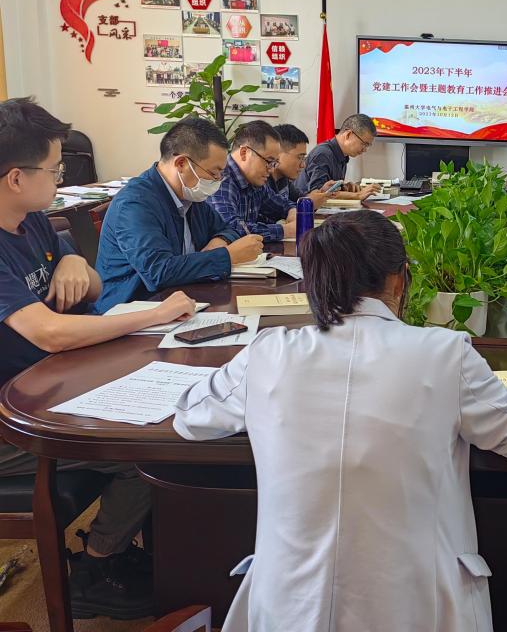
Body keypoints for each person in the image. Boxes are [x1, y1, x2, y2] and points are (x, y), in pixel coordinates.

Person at [173, 209, 507, 631]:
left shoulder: (269, 352)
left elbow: (189, 415)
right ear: (399, 279)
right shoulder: (446, 353)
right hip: (418, 610)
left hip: (290, 611)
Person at [0, 98, 198, 619]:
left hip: (51, 384)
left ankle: (137, 548)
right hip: (13, 417)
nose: (61, 178)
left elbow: (89, 285)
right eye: (55, 169)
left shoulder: (32, 221)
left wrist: (70, 258)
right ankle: (97, 565)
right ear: (16, 178)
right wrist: (155, 314)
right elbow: (50, 333)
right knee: (147, 452)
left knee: (174, 405)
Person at [95, 117, 264, 312]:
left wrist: (220, 240)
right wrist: (228, 256)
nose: (218, 180)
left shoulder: (190, 196)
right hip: (131, 311)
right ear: (182, 163)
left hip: (182, 300)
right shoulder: (135, 203)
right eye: (213, 173)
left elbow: (228, 228)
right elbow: (159, 272)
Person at [207, 121, 302, 240]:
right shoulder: (221, 179)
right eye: (269, 161)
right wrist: (285, 230)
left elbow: (281, 204)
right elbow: (230, 228)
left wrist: (292, 211)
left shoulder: (255, 180)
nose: (272, 170)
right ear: (244, 153)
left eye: (274, 163)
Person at [296, 113, 380, 200]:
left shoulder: (343, 155)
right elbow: (318, 194)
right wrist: (357, 195)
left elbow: (329, 189)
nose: (365, 150)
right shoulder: (323, 154)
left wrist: (344, 187)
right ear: (348, 135)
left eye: (368, 146)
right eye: (364, 144)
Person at [268, 124, 336, 209]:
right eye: (299, 157)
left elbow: (300, 198)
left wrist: (322, 192)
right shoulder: (263, 182)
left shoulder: (283, 178)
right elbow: (277, 212)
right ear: (278, 153)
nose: (303, 165)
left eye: (304, 158)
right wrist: (308, 204)